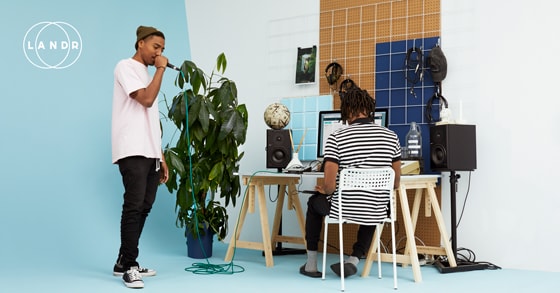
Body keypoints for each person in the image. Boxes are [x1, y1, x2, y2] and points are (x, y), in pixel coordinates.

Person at [300, 86, 401, 279]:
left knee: (314, 203)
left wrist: (324, 190)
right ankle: (354, 259)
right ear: (369, 110)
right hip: (377, 209)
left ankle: (311, 264)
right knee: (374, 202)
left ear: (347, 111)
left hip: (342, 209)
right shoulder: (391, 137)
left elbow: (329, 186)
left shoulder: (336, 137)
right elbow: (395, 183)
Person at [111, 25, 169, 289]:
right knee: (133, 206)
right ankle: (130, 266)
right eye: (156, 47)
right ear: (140, 44)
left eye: (162, 50)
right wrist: (160, 69)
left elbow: (150, 119)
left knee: (145, 206)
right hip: (132, 149)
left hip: (150, 151)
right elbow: (145, 100)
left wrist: (161, 156)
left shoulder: (148, 73)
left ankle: (125, 260)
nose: (159, 53)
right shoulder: (125, 67)